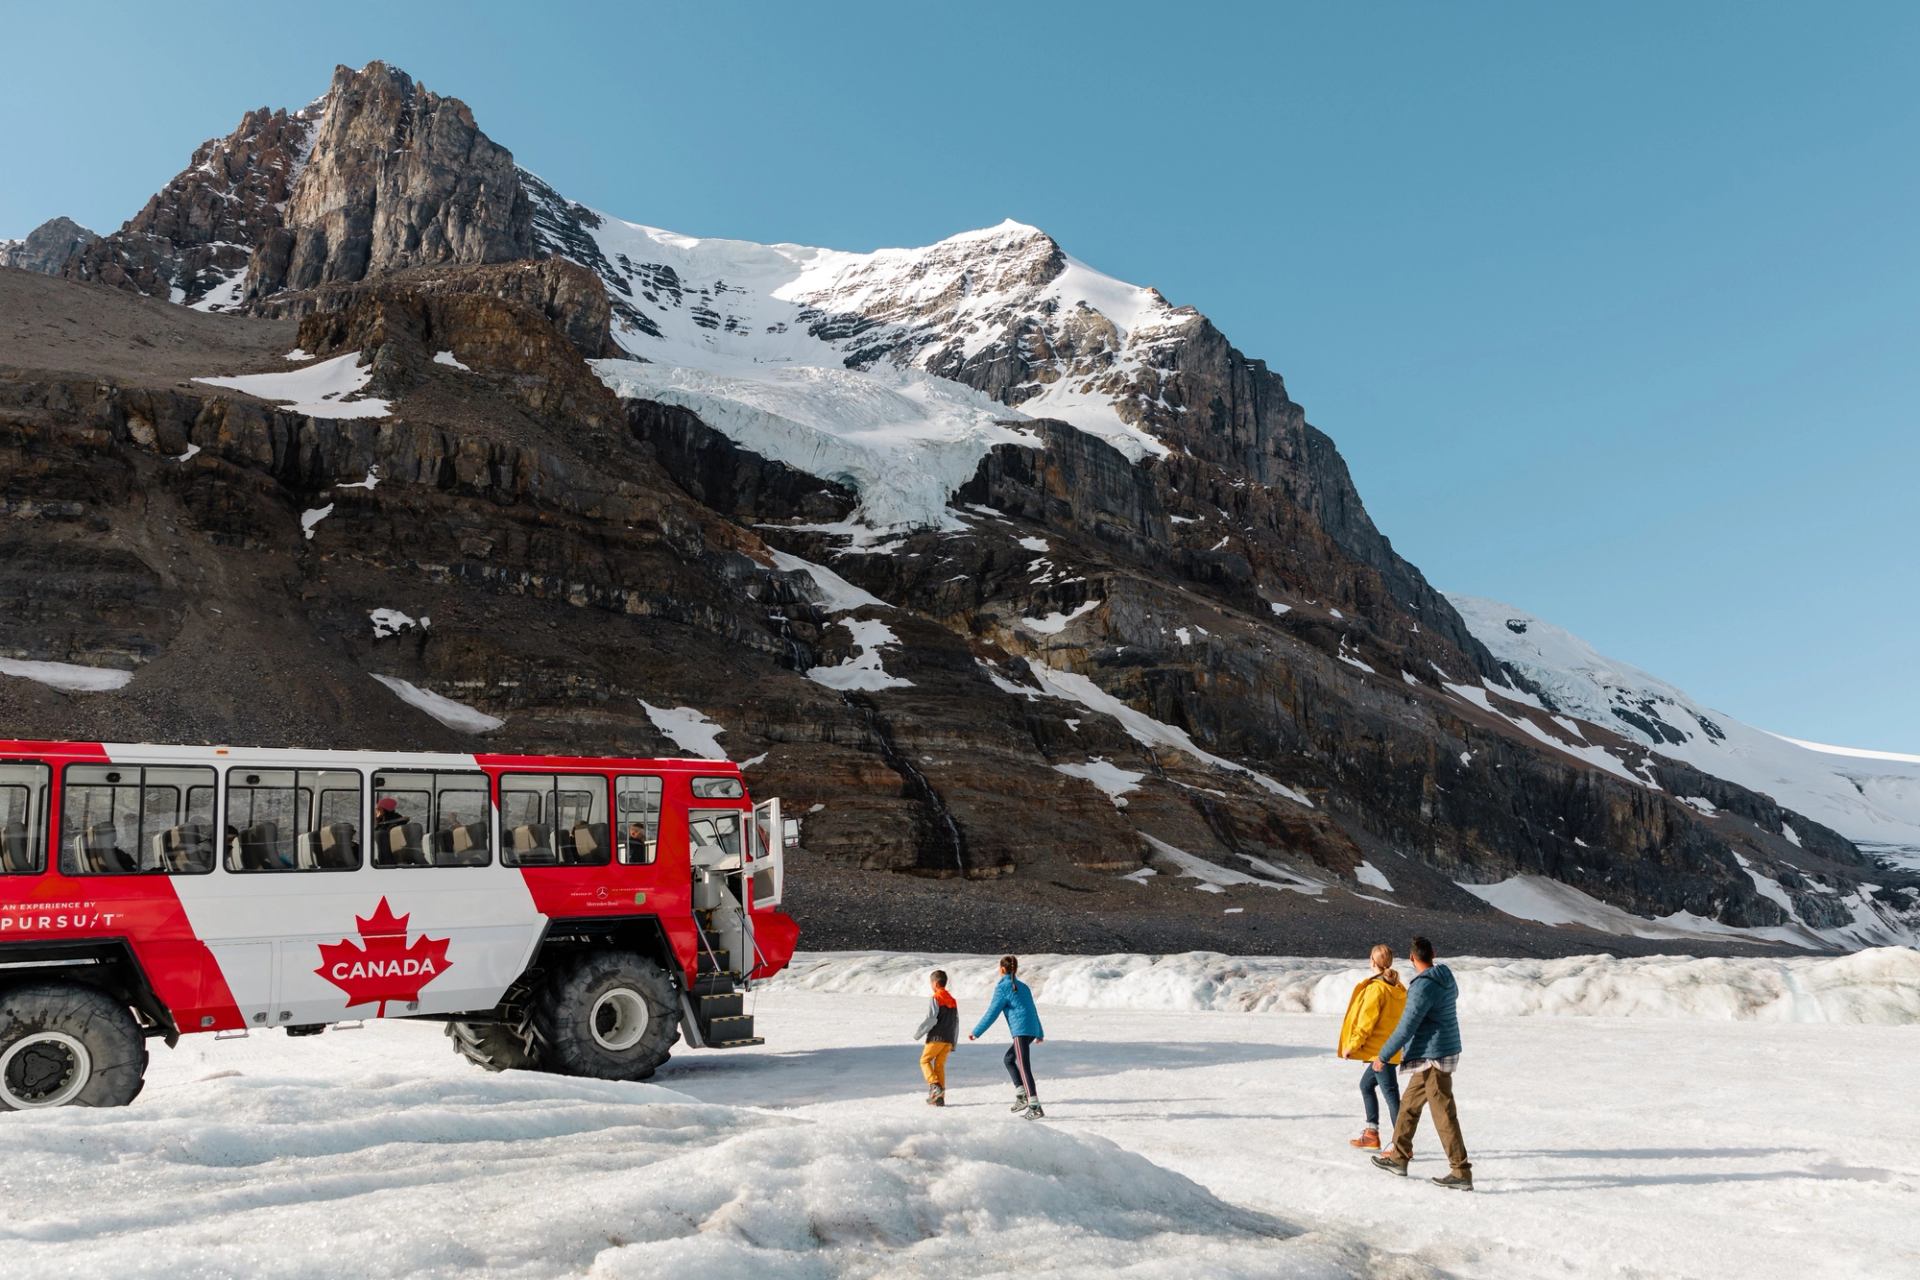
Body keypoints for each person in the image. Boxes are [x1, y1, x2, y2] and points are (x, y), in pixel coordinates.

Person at [1370, 936, 1472, 1191]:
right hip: (1438, 1052)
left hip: (1433, 1056)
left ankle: (1460, 1172)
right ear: (1433, 953)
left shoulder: (1423, 986)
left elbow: (1406, 1027)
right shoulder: (1444, 977)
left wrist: (1383, 1056)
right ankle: (1398, 1158)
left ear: (1412, 958)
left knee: (1443, 1114)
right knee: (1408, 1106)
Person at [1338, 943, 1407, 1150]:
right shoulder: (1397, 988)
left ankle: (1401, 1144)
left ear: (1373, 962)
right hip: (1392, 1049)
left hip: (1380, 1053)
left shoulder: (1377, 989)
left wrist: (1353, 1045)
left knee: (1391, 1094)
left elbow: (1366, 1022)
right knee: (1366, 1086)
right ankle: (1371, 1133)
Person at [969, 955, 1046, 1118]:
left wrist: (976, 1032)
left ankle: (1034, 1106)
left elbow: (992, 1012)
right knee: (1008, 1059)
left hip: (1021, 1030)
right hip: (1030, 1029)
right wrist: (1039, 1031)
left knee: (1024, 1067)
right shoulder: (1023, 986)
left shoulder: (1003, 988)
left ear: (1002, 969)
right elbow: (1033, 1009)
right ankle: (1022, 1095)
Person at [912, 968, 959, 1106]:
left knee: (924, 1061)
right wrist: (953, 1042)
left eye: (931, 983)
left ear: (935, 983)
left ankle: (934, 1086)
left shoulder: (936, 998)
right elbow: (956, 1022)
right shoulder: (952, 1000)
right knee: (939, 1066)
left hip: (936, 1037)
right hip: (948, 1039)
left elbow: (931, 1019)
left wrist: (919, 1033)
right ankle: (939, 1098)